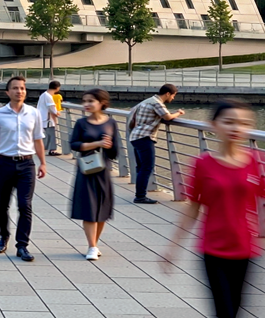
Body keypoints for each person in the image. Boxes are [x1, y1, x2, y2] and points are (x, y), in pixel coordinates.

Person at [161, 99, 265, 318]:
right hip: (212, 251)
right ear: (214, 126)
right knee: (226, 317)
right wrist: (173, 247)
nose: (236, 127)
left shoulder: (256, 161)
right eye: (229, 121)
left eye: (242, 122)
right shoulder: (203, 164)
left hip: (247, 251)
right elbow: (193, 208)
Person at [0, 75, 48, 261]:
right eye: (15, 88)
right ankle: (3, 236)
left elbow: (38, 139)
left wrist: (42, 162)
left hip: (27, 164)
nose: (19, 91)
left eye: (22, 88)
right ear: (7, 92)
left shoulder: (33, 113)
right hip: (4, 163)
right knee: (2, 205)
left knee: (25, 205)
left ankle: (22, 245)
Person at [68, 87, 118, 260]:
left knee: (102, 209)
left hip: (104, 170)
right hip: (86, 169)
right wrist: (96, 143)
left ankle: (94, 245)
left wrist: (109, 146)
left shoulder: (111, 123)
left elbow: (115, 152)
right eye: (85, 101)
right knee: (89, 208)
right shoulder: (81, 123)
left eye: (91, 101)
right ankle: (91, 246)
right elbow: (74, 145)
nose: (86, 104)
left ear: (102, 103)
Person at [127, 83, 183, 204]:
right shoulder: (156, 103)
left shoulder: (148, 101)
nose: (173, 98)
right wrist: (178, 113)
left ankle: (140, 194)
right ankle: (140, 196)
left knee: (141, 167)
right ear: (167, 94)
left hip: (136, 136)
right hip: (144, 138)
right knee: (147, 168)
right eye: (173, 96)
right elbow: (167, 117)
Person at [37, 79, 65, 157]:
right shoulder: (48, 96)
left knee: (44, 135)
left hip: (42, 118)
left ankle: (45, 149)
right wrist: (56, 113)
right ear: (57, 88)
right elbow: (51, 107)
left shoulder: (43, 95)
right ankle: (51, 150)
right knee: (51, 134)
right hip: (47, 119)